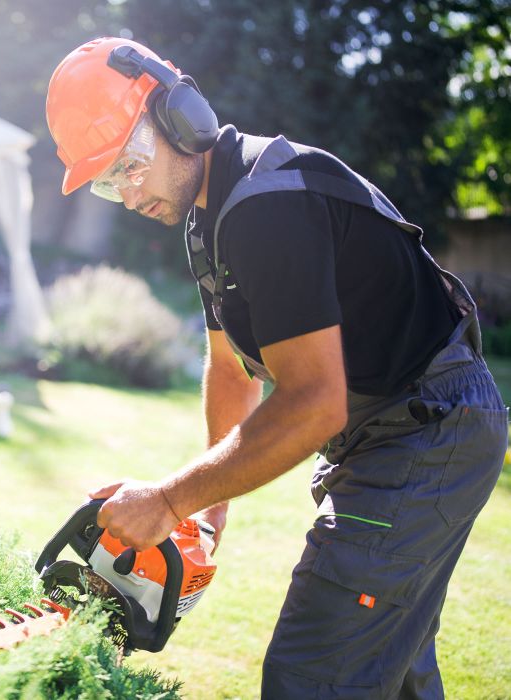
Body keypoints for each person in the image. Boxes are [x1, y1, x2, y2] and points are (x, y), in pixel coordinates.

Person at [46, 37, 507, 698]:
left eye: (129, 164)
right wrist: (210, 510)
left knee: (313, 675)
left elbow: (313, 403)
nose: (127, 192)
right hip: (391, 431)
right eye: (105, 181)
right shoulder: (209, 220)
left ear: (182, 116)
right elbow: (231, 370)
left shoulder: (268, 205)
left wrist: (172, 498)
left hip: (428, 427)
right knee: (390, 668)